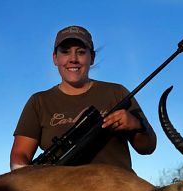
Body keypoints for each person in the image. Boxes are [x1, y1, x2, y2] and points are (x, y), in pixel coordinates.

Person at [10, 25, 157, 171]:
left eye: (80, 52)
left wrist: (138, 125)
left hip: (117, 190)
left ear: (91, 58)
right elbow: (20, 155)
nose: (73, 59)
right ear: (55, 58)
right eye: (65, 52)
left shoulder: (116, 92)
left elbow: (147, 147)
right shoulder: (39, 102)